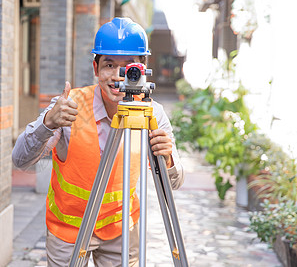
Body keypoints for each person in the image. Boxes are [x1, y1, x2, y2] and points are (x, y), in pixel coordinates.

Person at [12, 17, 184, 267]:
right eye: (109, 64)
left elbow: (175, 182)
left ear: (143, 69)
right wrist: (48, 122)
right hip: (69, 229)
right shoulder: (69, 106)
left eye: (128, 67)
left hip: (121, 227)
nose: (117, 76)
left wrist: (166, 158)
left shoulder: (152, 114)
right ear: (95, 68)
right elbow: (20, 161)